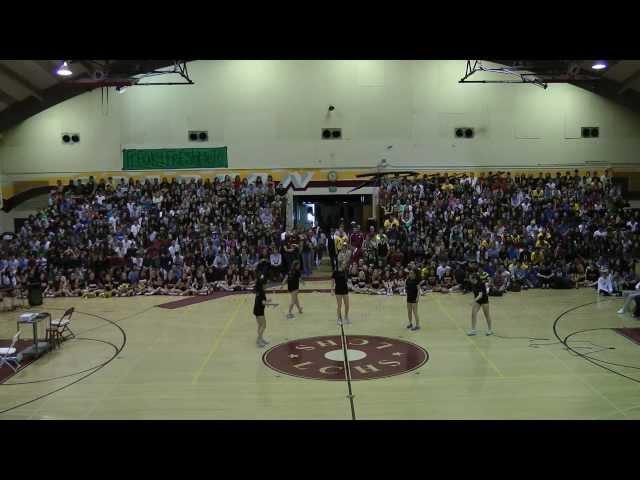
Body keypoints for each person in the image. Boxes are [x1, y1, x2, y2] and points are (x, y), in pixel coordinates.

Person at [253, 274, 277, 348]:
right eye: (266, 284)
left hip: (256, 309)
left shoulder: (259, 291)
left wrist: (268, 301)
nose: (267, 285)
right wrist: (273, 304)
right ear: (263, 284)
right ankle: (258, 341)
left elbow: (262, 301)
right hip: (259, 310)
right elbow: (263, 302)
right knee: (264, 325)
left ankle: (261, 338)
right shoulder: (262, 292)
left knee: (260, 325)